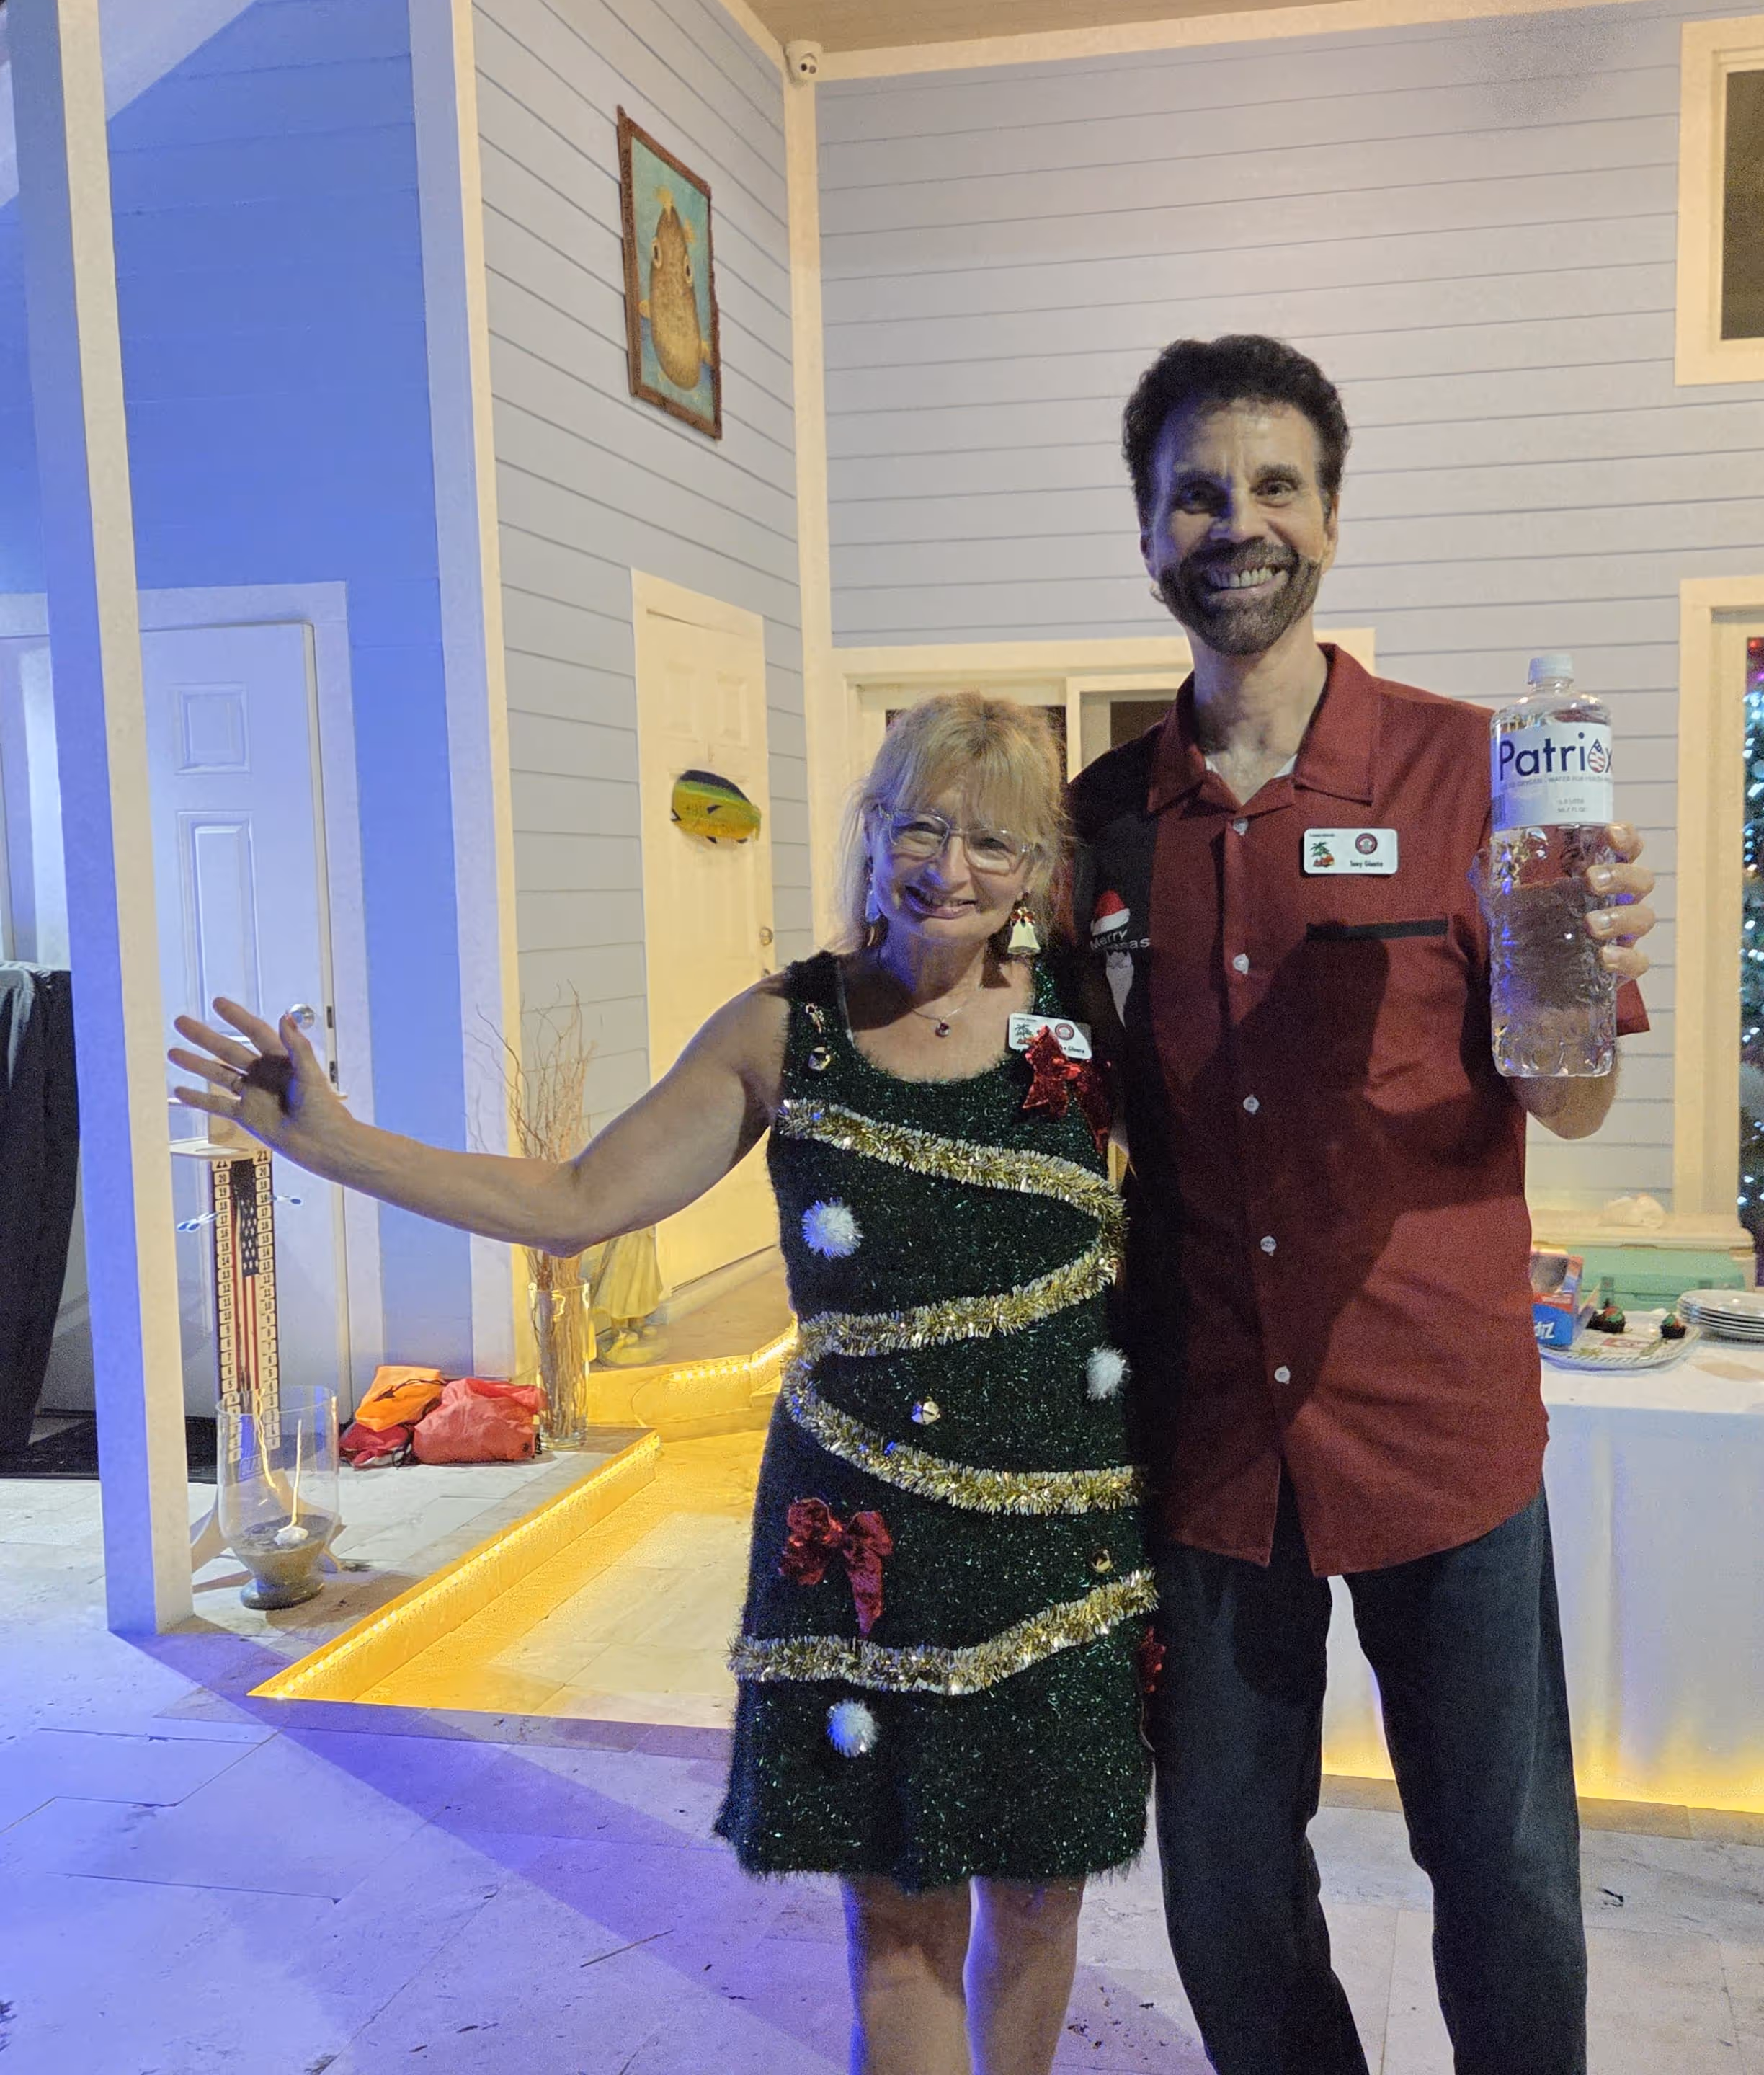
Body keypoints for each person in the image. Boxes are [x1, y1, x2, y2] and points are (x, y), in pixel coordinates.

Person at [170, 693, 1152, 2075]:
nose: (951, 867)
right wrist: (336, 1146)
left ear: (1040, 864)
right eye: (921, 825)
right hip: (868, 1542)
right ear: (874, 833)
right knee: (898, 1908)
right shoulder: (782, 1027)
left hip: (1065, 1538)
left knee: (1041, 1895)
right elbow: (580, 1199)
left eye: (994, 841)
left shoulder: (1088, 1021)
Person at [1069, 334, 1658, 2075]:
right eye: (1195, 489)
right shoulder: (1102, 821)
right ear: (1148, 527)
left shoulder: (1483, 776)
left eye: (1271, 485)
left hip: (1439, 1425)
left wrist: (1588, 966)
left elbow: (1571, 1089)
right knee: (1227, 1887)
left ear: (1329, 515)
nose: (1233, 521)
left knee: (1504, 1874)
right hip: (1205, 1441)